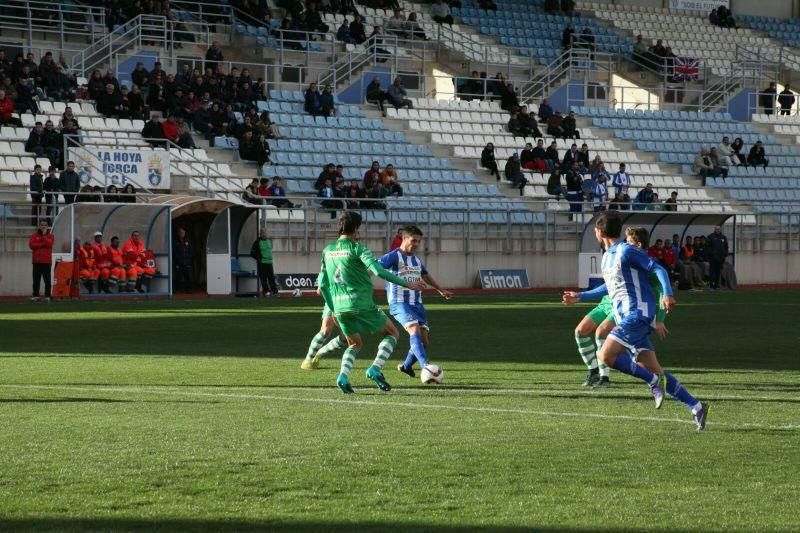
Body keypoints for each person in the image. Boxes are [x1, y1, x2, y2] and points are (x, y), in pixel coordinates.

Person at [563, 212, 708, 430]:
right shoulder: (608, 256)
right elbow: (609, 288)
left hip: (637, 314)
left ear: (600, 232)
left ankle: (652, 382)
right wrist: (580, 296)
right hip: (627, 315)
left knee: (605, 354)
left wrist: (667, 294)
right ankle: (696, 406)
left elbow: (658, 268)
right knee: (654, 368)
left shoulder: (626, 250)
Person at [317, 211, 425, 393]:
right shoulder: (359, 249)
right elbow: (379, 271)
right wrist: (408, 283)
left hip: (339, 307)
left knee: (354, 344)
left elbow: (322, 284)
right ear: (356, 229)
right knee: (392, 333)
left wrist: (334, 309)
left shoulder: (327, 251)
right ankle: (375, 368)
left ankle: (343, 376)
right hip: (362, 304)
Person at [378, 225, 452, 379]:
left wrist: (440, 289)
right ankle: (426, 366)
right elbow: (376, 268)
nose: (416, 244)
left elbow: (425, 275)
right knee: (414, 329)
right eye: (413, 240)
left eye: (419, 242)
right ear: (404, 238)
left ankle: (406, 366)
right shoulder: (393, 256)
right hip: (399, 303)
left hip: (417, 304)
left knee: (424, 342)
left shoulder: (416, 260)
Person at [249, 228, 279, 297]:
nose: (266, 234)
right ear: (261, 234)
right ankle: (266, 292)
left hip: (269, 263)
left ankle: (275, 292)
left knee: (272, 278)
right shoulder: (257, 242)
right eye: (265, 233)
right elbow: (252, 253)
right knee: (263, 279)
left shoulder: (269, 241)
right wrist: (259, 259)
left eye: (266, 233)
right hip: (262, 263)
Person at [29, 219, 54, 301]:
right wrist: (42, 244)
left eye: (45, 225)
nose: (43, 226)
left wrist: (44, 237)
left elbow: (50, 244)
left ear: (47, 226)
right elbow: (32, 245)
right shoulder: (34, 235)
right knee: (36, 280)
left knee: (47, 280)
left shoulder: (50, 235)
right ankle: (36, 295)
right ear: (39, 226)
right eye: (42, 225)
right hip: (36, 261)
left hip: (46, 262)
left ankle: (47, 296)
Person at [706, 225, 728, 290]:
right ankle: (711, 285)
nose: (717, 230)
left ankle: (716, 285)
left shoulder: (723, 237)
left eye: (718, 229)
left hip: (720, 259)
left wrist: (725, 254)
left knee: (718, 273)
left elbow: (726, 247)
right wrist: (712, 254)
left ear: (720, 230)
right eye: (716, 229)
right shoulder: (711, 236)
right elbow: (708, 247)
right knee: (712, 272)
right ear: (714, 229)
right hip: (713, 259)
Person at [173, 227, 194, 293]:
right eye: (180, 232)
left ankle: (188, 290)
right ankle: (178, 290)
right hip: (179, 262)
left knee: (188, 276)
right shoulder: (175, 241)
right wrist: (177, 259)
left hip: (187, 262)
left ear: (185, 233)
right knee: (178, 276)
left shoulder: (188, 241)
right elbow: (174, 252)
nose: (181, 233)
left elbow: (191, 251)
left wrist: (188, 258)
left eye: (182, 232)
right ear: (178, 233)